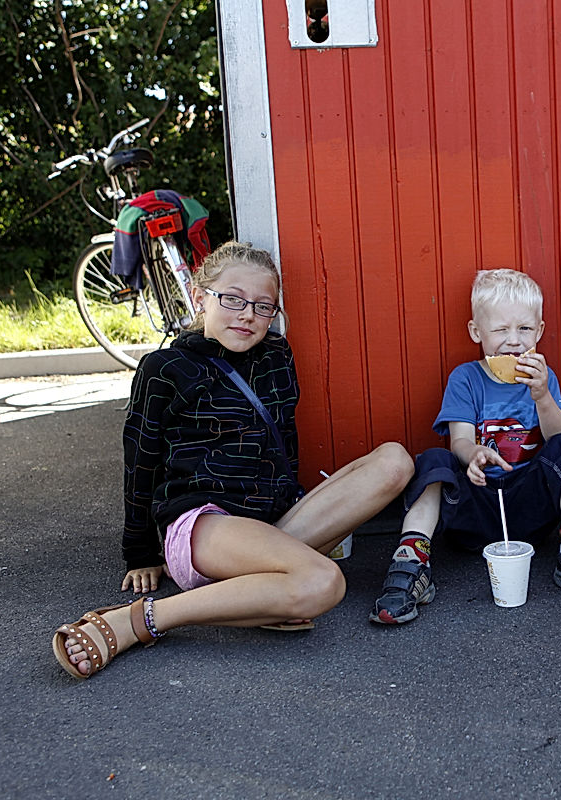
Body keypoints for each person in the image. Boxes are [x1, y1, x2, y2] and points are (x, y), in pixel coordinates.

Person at [52, 241, 413, 678]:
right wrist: (139, 552)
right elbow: (140, 460)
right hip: (204, 524)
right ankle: (140, 620)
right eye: (233, 299)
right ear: (200, 297)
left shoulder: (277, 355)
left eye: (264, 307)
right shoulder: (164, 367)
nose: (248, 315)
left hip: (267, 526)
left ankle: (257, 594)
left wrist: (293, 507)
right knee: (324, 582)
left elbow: (283, 439)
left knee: (395, 461)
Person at [370, 268, 561, 624]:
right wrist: (473, 453)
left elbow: (556, 435)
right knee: (434, 461)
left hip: (529, 505)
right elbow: (458, 439)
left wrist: (541, 395)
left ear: (540, 331)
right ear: (477, 332)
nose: (513, 341)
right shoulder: (466, 378)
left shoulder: (542, 376)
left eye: (524, 329)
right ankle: (411, 558)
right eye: (501, 330)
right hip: (477, 502)